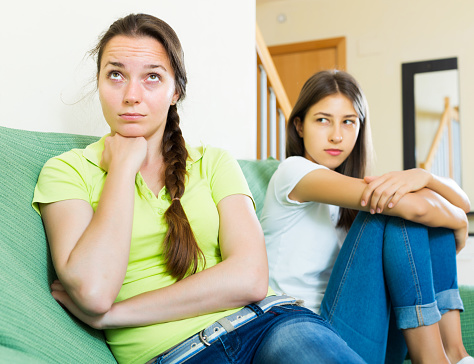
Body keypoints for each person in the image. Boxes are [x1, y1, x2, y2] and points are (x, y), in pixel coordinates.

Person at [32, 14, 367, 364]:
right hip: (179, 356)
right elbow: (93, 291)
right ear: (98, 83)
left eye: (152, 77)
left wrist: (117, 315)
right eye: (116, 74)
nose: (131, 95)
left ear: (175, 91)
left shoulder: (214, 162)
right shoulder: (66, 171)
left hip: (269, 324)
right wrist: (121, 168)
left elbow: (251, 278)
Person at [260, 69, 473, 364]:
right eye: (323, 120)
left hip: (366, 327)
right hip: (306, 331)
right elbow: (416, 209)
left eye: (349, 122)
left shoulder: (348, 192)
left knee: (411, 210)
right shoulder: (294, 172)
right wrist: (459, 221)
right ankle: (435, 359)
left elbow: (460, 202)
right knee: (393, 212)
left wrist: (425, 176)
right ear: (299, 126)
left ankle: (456, 354)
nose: (337, 135)